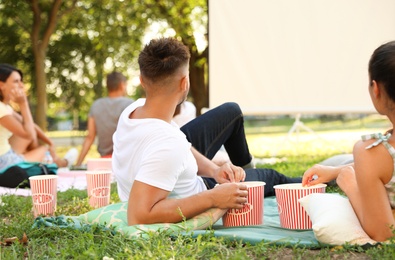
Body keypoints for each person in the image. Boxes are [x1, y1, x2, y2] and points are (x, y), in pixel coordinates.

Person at [112, 37, 301, 226]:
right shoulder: (168, 144)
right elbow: (139, 216)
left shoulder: (133, 111)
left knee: (231, 112)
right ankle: (308, 181)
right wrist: (213, 197)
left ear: (142, 81)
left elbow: (181, 145)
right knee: (270, 177)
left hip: (170, 161)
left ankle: (241, 173)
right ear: (184, 83)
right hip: (195, 193)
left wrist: (215, 169)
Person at [302, 41, 395, 242]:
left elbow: (385, 233)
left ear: (376, 89)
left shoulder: (371, 152)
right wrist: (335, 171)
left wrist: (350, 184)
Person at [0, 64, 77, 171]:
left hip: (5, 155)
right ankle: (60, 164)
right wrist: (23, 104)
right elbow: (29, 134)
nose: (21, 86)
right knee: (43, 149)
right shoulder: (1, 109)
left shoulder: (5, 107)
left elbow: (31, 126)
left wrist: (50, 142)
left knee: (32, 138)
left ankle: (54, 163)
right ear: (1, 85)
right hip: (4, 162)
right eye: (16, 81)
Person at [75, 71, 134, 166]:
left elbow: (90, 137)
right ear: (122, 85)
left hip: (104, 162)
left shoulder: (96, 105)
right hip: (125, 162)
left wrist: (77, 164)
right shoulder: (130, 104)